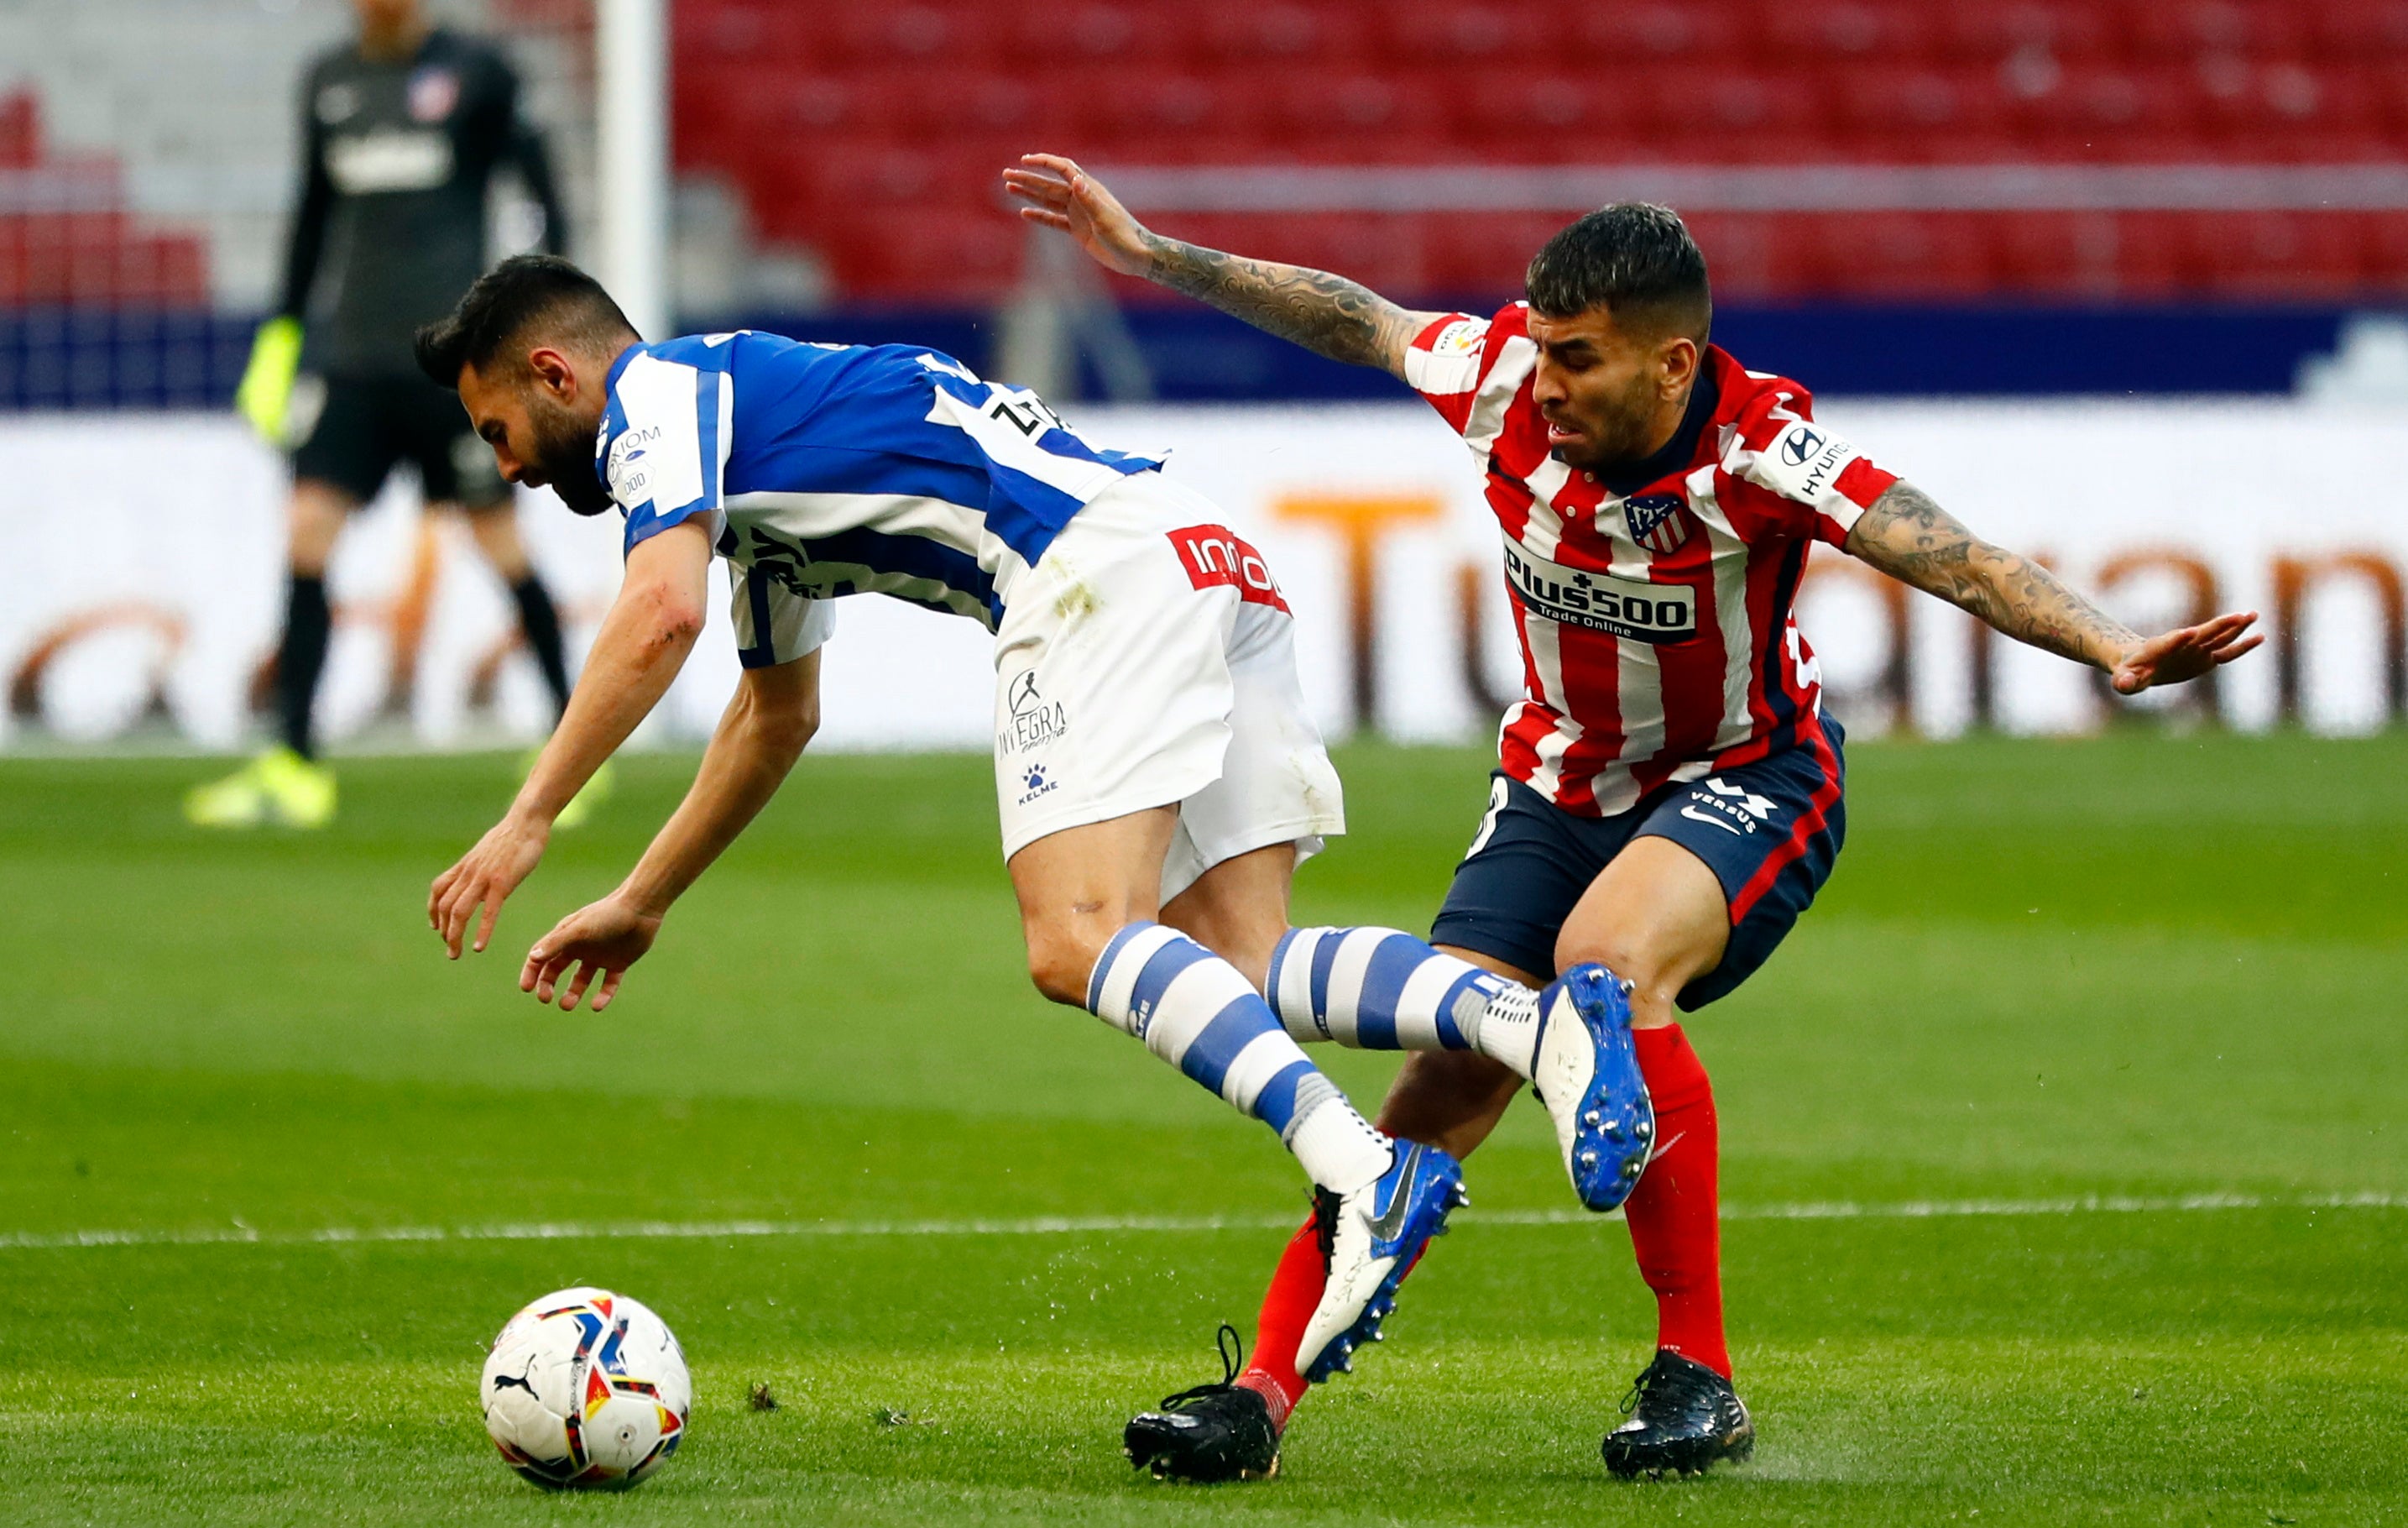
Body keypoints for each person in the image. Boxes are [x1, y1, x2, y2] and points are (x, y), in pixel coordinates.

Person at [1002, 153, 2262, 1483]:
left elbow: (1942, 550)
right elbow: (1354, 315)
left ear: (1672, 366)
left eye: (1581, 360)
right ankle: (1259, 1394)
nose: (1544, 384)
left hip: (1747, 773)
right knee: (1442, 1073)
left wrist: (2109, 644)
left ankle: (1696, 1373)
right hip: (1553, 787)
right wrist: (1152, 256)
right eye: (1542, 349)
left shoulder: (1761, 445)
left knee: (1605, 963)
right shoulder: (1497, 385)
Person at [412, 255, 1670, 1383]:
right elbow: (771, 717)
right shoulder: (757, 457)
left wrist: (529, 818)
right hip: (1193, 548)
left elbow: (657, 613)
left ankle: (1360, 1168)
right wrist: (642, 897)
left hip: (1083, 575)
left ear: (555, 370)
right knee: (1240, 962)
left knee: (1074, 940)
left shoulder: (660, 405)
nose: (507, 464)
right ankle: (1541, 1022)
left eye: (501, 428)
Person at [187, 0, 586, 829]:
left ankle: (571, 748)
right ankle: (294, 760)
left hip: (453, 369)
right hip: (356, 363)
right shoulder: (331, 81)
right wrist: (282, 334)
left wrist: (535, 316)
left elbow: (543, 190)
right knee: (305, 534)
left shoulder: (478, 72)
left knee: (500, 544)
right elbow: (312, 214)